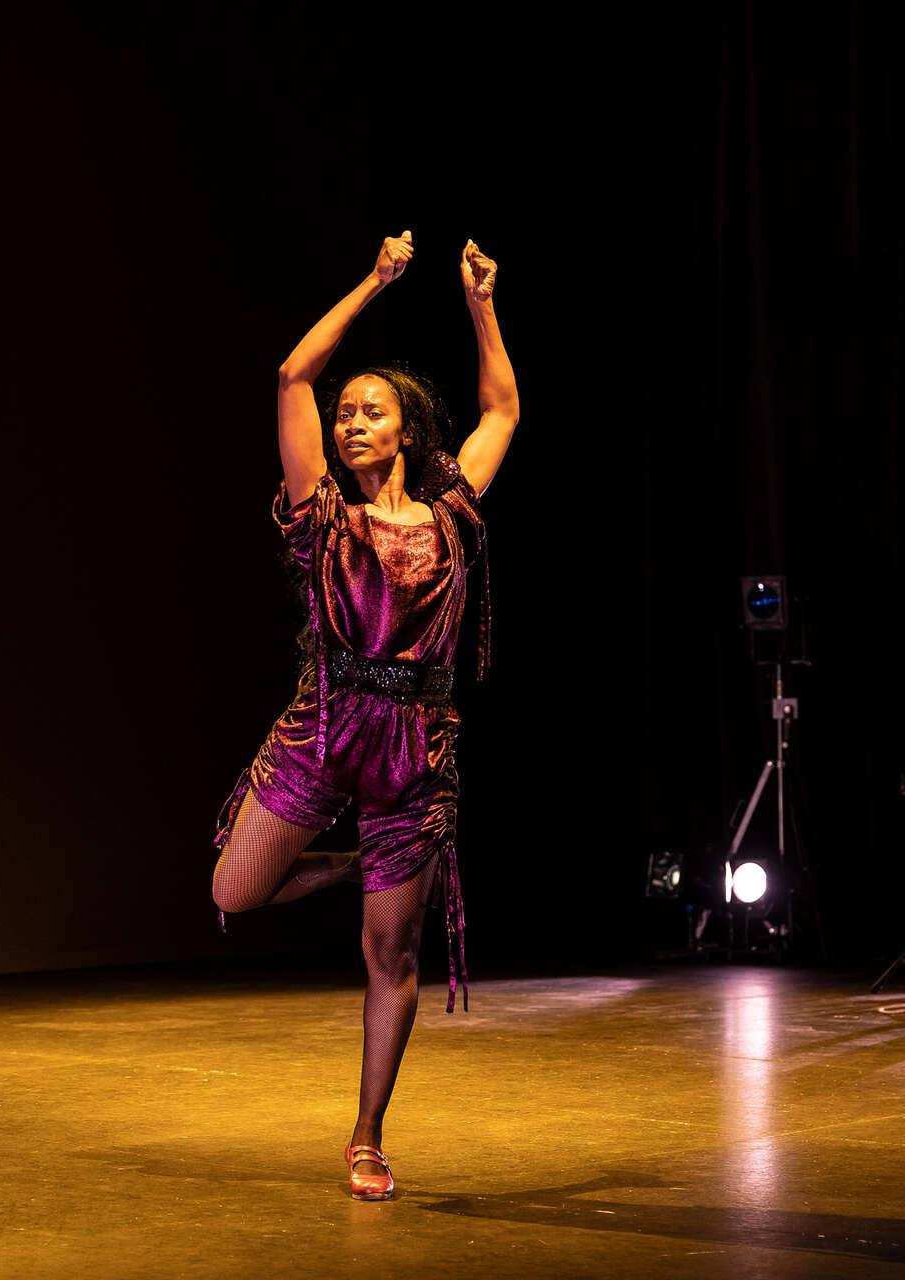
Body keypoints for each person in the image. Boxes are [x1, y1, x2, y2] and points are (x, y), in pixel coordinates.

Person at [210, 230, 518, 1200]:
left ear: (404, 432)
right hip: (328, 720)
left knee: (390, 952)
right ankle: (356, 866)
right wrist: (377, 282)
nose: (348, 423)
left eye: (369, 411)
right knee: (232, 893)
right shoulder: (322, 517)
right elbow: (293, 374)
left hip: (418, 746)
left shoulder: (454, 512)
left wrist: (479, 305)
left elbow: (504, 406)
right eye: (345, 414)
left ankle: (368, 1132)